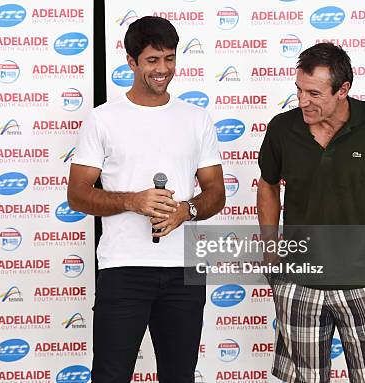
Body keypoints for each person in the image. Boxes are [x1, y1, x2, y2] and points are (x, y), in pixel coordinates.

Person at [68, 16, 225, 383]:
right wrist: (132, 201)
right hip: (123, 268)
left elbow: (216, 192)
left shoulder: (196, 118)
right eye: (153, 60)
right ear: (131, 62)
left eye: (169, 59)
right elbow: (77, 194)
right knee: (109, 375)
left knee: (179, 376)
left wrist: (187, 210)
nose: (163, 69)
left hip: (184, 270)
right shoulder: (103, 119)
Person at [257, 42, 365, 382]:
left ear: (343, 90)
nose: (302, 101)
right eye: (299, 90)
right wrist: (270, 252)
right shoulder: (282, 128)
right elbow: (267, 186)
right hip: (300, 284)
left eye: (314, 93)